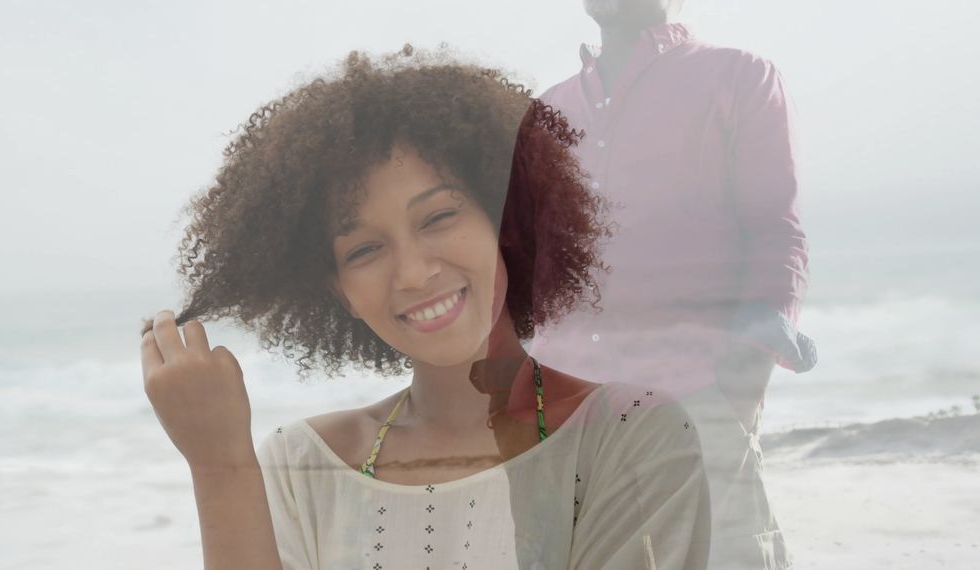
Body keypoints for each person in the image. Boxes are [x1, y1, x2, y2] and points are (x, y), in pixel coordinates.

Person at [140, 46, 711, 569]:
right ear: (340, 292)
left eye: (438, 217)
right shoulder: (302, 465)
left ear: (507, 221)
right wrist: (219, 468)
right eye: (364, 250)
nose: (413, 273)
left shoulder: (629, 434)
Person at [523, 1, 817, 568]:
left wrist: (744, 368)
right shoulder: (546, 111)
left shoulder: (739, 76)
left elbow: (776, 231)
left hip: (697, 393)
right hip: (566, 406)